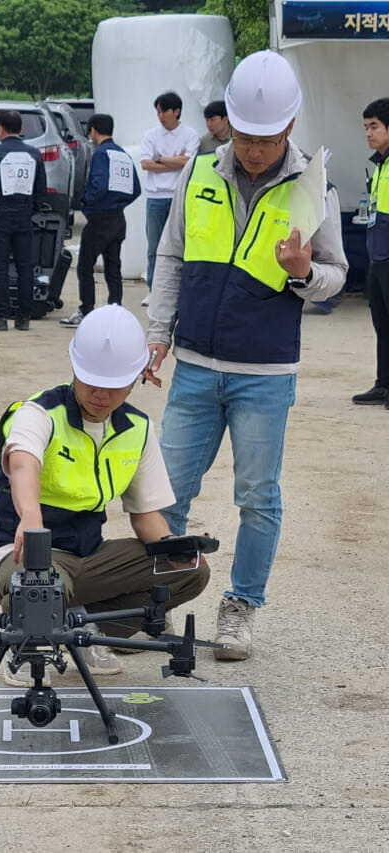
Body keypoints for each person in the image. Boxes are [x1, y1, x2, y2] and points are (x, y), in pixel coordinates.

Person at [144, 51, 348, 661]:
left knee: (258, 496)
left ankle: (241, 607)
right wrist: (159, 331)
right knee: (167, 491)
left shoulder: (314, 186)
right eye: (246, 135)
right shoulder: (198, 171)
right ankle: (155, 601)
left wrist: (304, 272)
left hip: (264, 372)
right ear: (229, 121)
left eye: (268, 137)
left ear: (289, 128)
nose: (255, 149)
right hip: (197, 364)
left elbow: (338, 274)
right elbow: (170, 256)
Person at [0, 304, 210, 686]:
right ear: (73, 368)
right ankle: (31, 647)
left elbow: (146, 517)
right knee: (41, 582)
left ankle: (82, 634)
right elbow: (22, 465)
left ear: (137, 376)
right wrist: (31, 525)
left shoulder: (136, 428)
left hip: (87, 558)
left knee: (191, 571)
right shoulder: (38, 413)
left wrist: (176, 546)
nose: (102, 394)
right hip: (16, 552)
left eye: (115, 384)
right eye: (92, 382)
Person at [60, 115, 141, 327]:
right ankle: (116, 309)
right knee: (113, 268)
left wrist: (86, 203)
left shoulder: (101, 154)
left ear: (93, 130)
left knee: (85, 266)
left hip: (100, 219)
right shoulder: (122, 154)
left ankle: (86, 310)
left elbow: (98, 183)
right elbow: (136, 189)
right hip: (118, 219)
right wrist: (119, 203)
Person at [0, 110, 46, 332]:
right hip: (23, 216)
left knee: (0, 267)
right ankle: (24, 317)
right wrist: (32, 209)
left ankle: (0, 316)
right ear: (22, 129)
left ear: (0, 129)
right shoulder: (34, 155)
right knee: (25, 267)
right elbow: (41, 188)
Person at [139, 92, 199, 306]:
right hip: (155, 196)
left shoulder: (190, 134)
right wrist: (175, 161)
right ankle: (153, 290)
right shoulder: (151, 135)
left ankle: (178, 290)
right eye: (158, 111)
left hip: (178, 196)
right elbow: (145, 164)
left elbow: (189, 162)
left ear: (176, 111)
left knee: (180, 245)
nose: (161, 116)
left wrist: (160, 158)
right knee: (154, 246)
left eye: (164, 111)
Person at [351, 98, 389, 408]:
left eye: (374, 126)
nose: (368, 133)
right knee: (382, 324)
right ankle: (383, 383)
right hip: (378, 256)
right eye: (366, 127)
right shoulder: (379, 166)